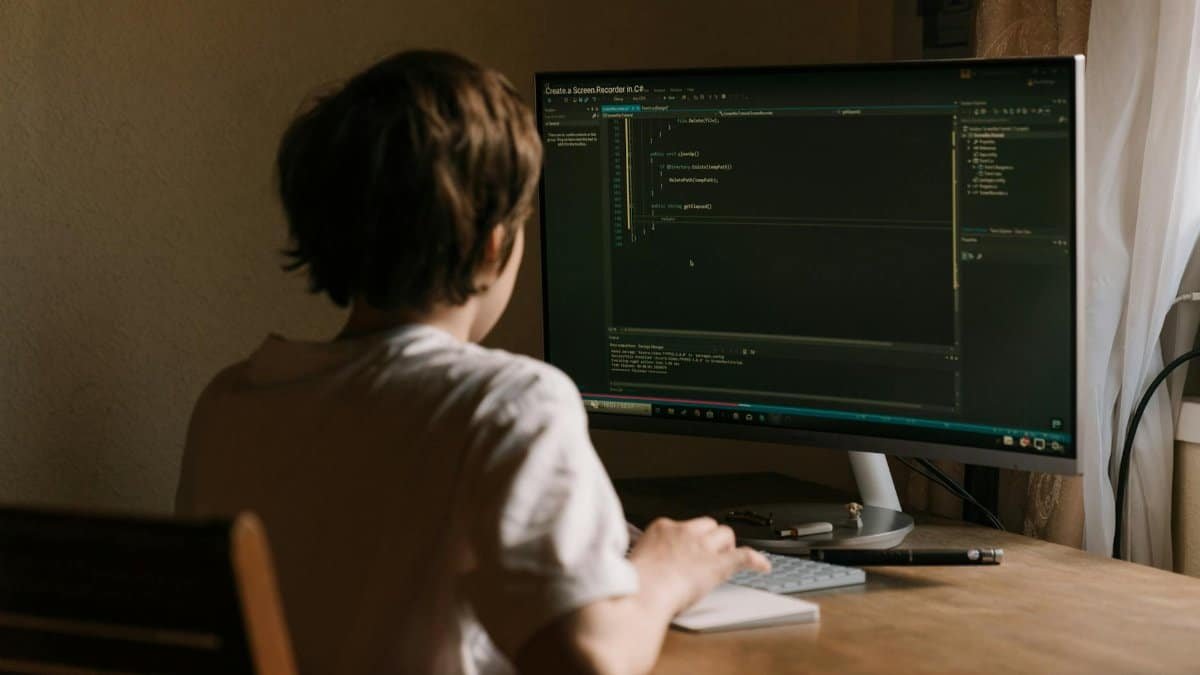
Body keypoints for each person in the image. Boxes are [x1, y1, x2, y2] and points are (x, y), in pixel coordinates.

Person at [175, 49, 768, 675]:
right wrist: (666, 572)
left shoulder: (230, 401)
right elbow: (587, 662)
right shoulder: (509, 404)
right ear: (493, 245)